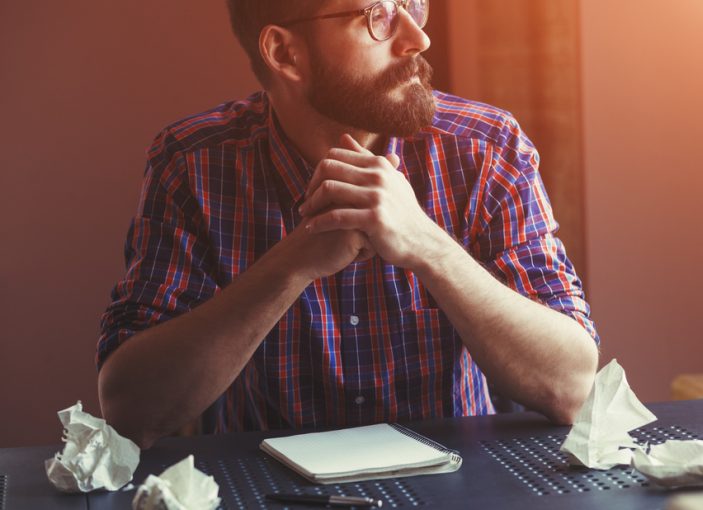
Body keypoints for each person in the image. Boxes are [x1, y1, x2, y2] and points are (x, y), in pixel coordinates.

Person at [97, 0, 600, 449]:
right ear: (284, 53)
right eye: (377, 16)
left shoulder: (486, 149)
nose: (417, 37)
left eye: (412, 3)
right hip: (267, 492)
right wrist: (292, 264)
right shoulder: (193, 164)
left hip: (462, 485)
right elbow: (130, 411)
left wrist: (426, 245)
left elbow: (573, 387)